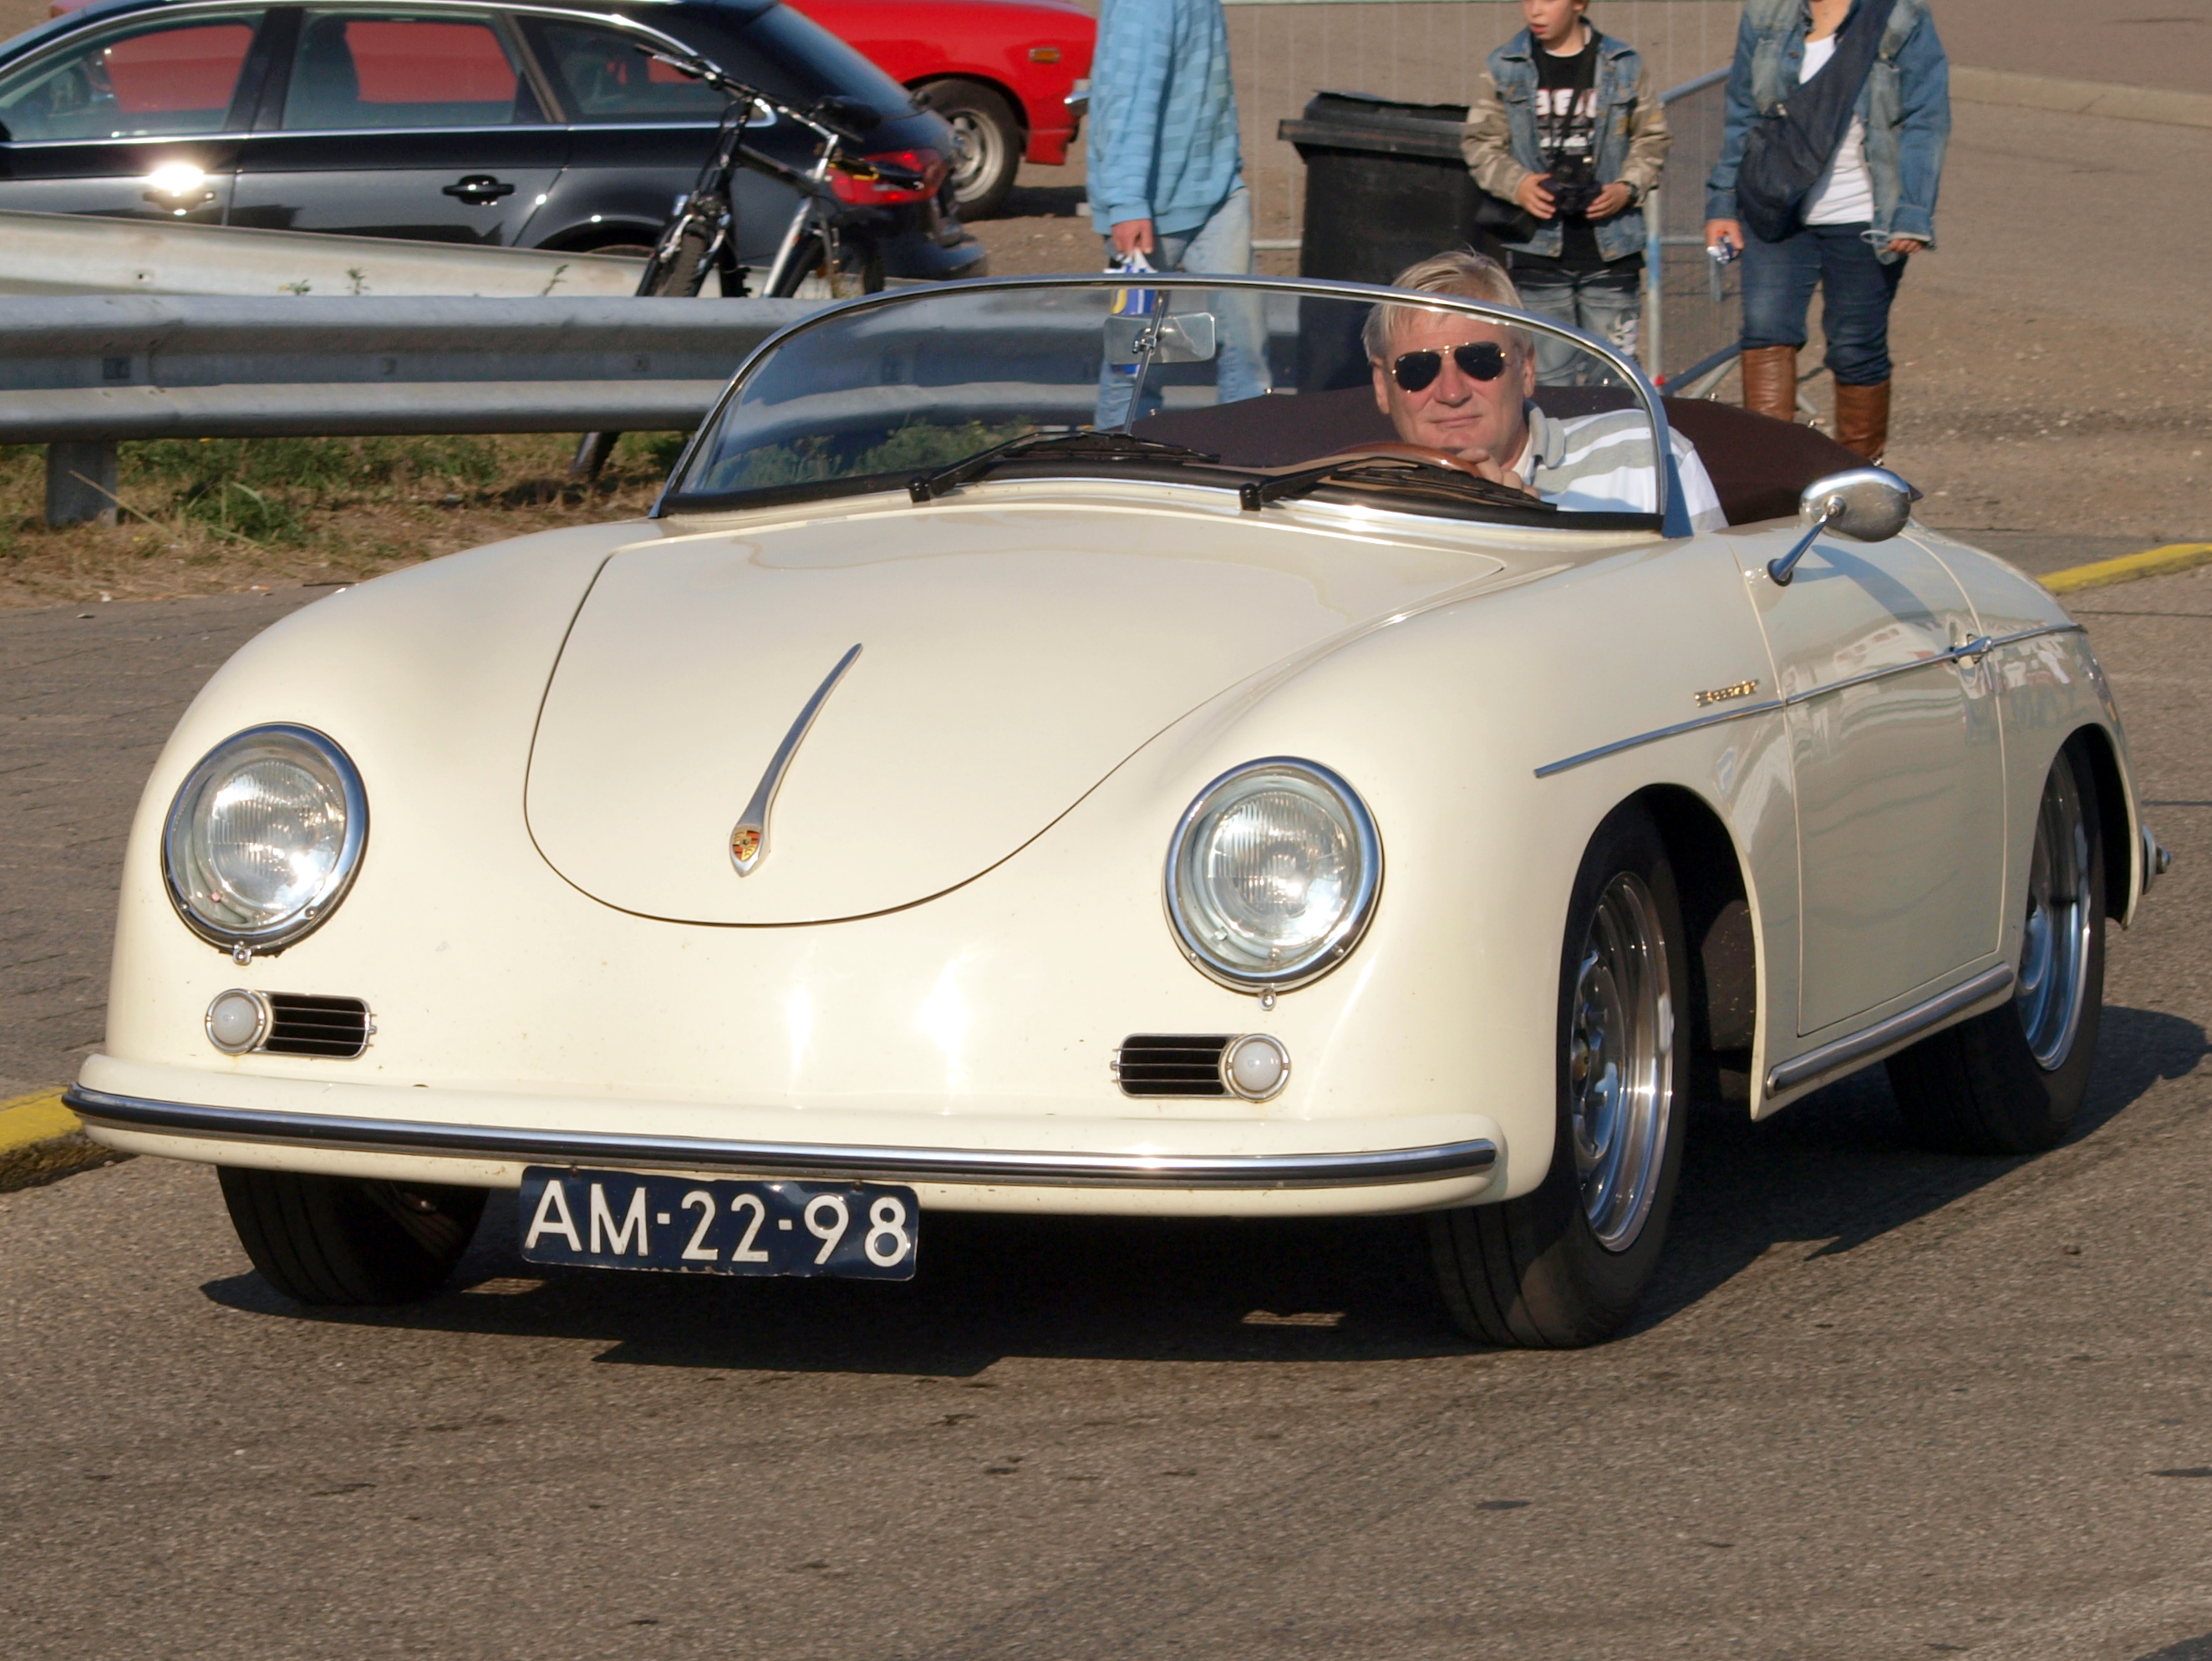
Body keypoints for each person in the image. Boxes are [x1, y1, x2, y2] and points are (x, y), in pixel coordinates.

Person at [1705, 0, 1950, 461]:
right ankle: (1771, 475)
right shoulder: (1766, 14)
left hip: (1865, 217)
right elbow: (1742, 114)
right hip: (1777, 210)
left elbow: (1925, 118)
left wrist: (1912, 212)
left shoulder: (1900, 16)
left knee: (1856, 347)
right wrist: (1722, 201)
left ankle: (1858, 479)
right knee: (1766, 331)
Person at [1365, 252, 1726, 530]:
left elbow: (1719, 606)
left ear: (1527, 368)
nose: (1451, 392)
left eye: (1480, 361)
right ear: (1383, 386)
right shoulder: (1354, 510)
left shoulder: (1644, 456)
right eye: (1418, 369)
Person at [1461, 0, 1670, 385]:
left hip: (1612, 251)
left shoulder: (1623, 64)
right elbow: (1480, 143)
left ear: (1579, 4)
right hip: (1537, 253)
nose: (1534, 11)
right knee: (1548, 383)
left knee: (1614, 384)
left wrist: (1627, 187)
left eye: (1547, 0)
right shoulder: (1505, 67)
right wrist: (1518, 185)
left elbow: (1652, 138)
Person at [1088, 0, 1270, 425]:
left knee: (1246, 348)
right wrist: (1127, 202)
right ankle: (1119, 458)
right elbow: (1127, 98)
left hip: (1218, 192)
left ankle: (1251, 450)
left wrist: (1229, 169)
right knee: (1134, 361)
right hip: (1148, 209)